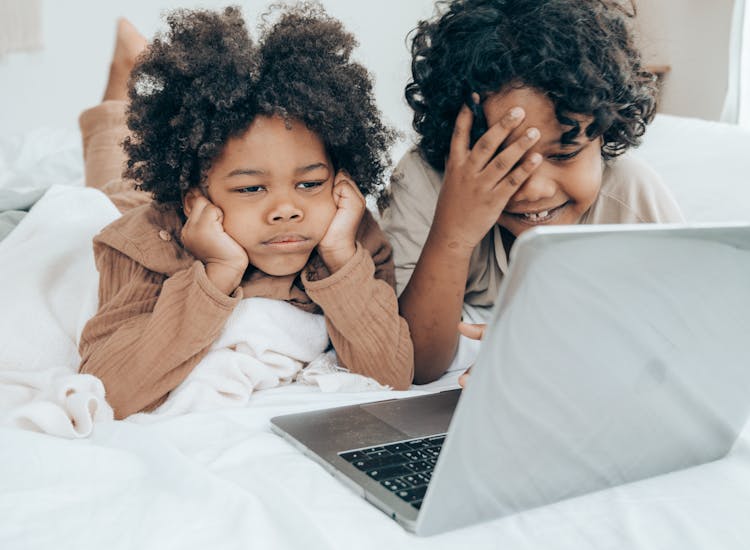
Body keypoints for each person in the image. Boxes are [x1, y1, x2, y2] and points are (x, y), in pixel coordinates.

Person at [78, 6, 413, 419]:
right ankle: (123, 79)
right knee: (113, 183)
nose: (287, 210)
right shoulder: (145, 244)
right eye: (251, 188)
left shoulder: (348, 232)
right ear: (195, 199)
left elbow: (391, 376)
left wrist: (343, 258)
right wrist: (218, 272)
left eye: (309, 184)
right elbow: (110, 391)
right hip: (147, 214)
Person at [380, 0, 684, 385]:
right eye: (505, 161)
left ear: (606, 135)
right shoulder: (426, 181)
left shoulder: (629, 195)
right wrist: (454, 234)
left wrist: (566, 351)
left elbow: (688, 340)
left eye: (565, 154)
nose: (535, 189)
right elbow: (414, 365)